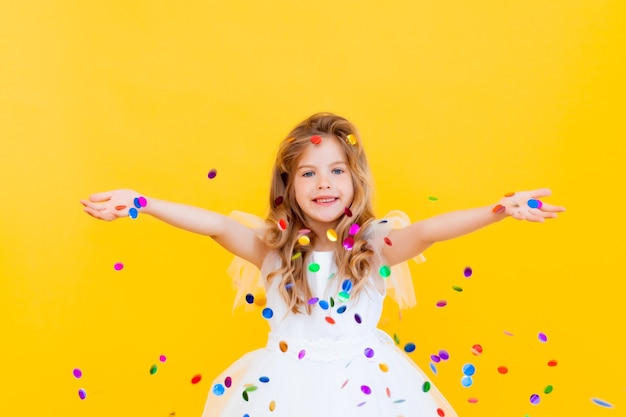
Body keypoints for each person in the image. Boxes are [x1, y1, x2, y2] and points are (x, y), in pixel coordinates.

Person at [81, 112, 565, 417]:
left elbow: (428, 231)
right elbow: (214, 225)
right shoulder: (273, 249)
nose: (324, 183)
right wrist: (143, 202)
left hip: (373, 389)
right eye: (308, 173)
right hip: (281, 389)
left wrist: (499, 210)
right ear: (288, 186)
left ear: (355, 182)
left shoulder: (372, 247)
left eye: (337, 171)